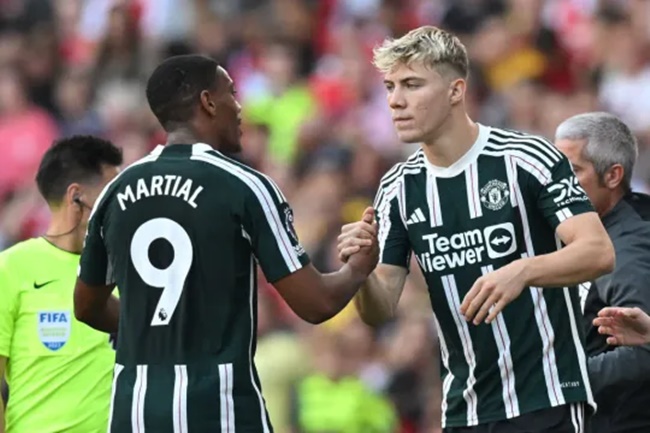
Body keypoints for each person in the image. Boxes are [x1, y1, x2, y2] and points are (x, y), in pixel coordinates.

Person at [73, 54, 378, 432]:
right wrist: (358, 268)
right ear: (208, 102)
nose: (239, 106)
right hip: (219, 410)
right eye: (231, 93)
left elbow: (86, 306)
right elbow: (316, 304)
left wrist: (154, 326)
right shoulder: (244, 185)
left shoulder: (115, 193)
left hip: (135, 412)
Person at [337, 26, 615, 433]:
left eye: (412, 85)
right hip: (464, 409)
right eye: (390, 87)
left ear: (456, 91)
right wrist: (360, 271)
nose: (395, 100)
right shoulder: (397, 187)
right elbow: (379, 310)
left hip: (548, 398)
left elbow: (598, 251)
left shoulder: (526, 158)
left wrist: (522, 270)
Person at [0, 136, 123, 433]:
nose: (121, 205)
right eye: (111, 193)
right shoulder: (11, 268)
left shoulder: (127, 268)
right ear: (76, 197)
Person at [555, 112, 650, 433]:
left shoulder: (625, 247)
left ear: (612, 176)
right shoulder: (594, 229)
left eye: (572, 171)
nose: (557, 184)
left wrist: (557, 382)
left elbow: (642, 352)